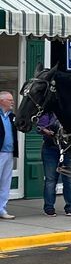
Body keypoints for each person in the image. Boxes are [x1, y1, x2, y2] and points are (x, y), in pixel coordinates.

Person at [37, 112, 71, 217]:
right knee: (50, 179)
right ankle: (49, 208)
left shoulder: (70, 109)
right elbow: (41, 126)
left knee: (69, 180)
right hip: (51, 147)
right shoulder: (48, 112)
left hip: (68, 148)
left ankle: (70, 207)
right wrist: (46, 131)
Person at [0, 91, 17, 220]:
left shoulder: (12, 116)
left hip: (9, 153)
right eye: (10, 100)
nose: (12, 102)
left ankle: (2, 209)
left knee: (6, 183)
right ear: (2, 101)